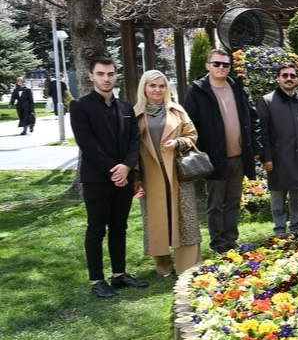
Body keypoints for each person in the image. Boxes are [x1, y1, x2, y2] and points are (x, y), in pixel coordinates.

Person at [69, 57, 147, 298]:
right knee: (96, 229)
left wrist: (127, 167)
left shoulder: (125, 108)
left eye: (110, 74)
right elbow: (87, 144)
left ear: (116, 76)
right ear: (91, 76)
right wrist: (115, 170)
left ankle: (119, 274)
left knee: (119, 227)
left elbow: (135, 140)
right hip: (97, 179)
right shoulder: (80, 106)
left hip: (123, 176)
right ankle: (96, 280)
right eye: (101, 74)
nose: (106, 78)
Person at [184, 48, 261, 253]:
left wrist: (255, 146)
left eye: (225, 64)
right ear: (208, 65)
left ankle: (231, 240)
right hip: (213, 158)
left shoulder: (238, 88)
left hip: (238, 155)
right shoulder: (197, 90)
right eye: (216, 63)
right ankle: (218, 243)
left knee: (233, 201)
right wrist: (201, 153)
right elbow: (190, 124)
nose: (221, 68)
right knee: (216, 203)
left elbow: (252, 118)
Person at [132, 70, 201, 276]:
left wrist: (178, 142)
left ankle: (188, 265)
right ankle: (163, 265)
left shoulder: (177, 110)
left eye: (161, 86)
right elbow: (130, 146)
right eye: (152, 86)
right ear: (144, 87)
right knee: (156, 219)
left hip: (177, 172)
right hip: (149, 173)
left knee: (185, 215)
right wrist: (135, 177)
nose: (157, 90)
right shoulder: (135, 114)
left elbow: (192, 135)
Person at [257, 63, 298, 235]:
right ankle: (279, 229)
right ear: (278, 79)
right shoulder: (267, 101)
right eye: (285, 75)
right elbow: (263, 133)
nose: (289, 79)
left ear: (297, 79)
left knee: (297, 194)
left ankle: (296, 227)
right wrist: (266, 158)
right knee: (278, 196)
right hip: (277, 158)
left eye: (292, 76)